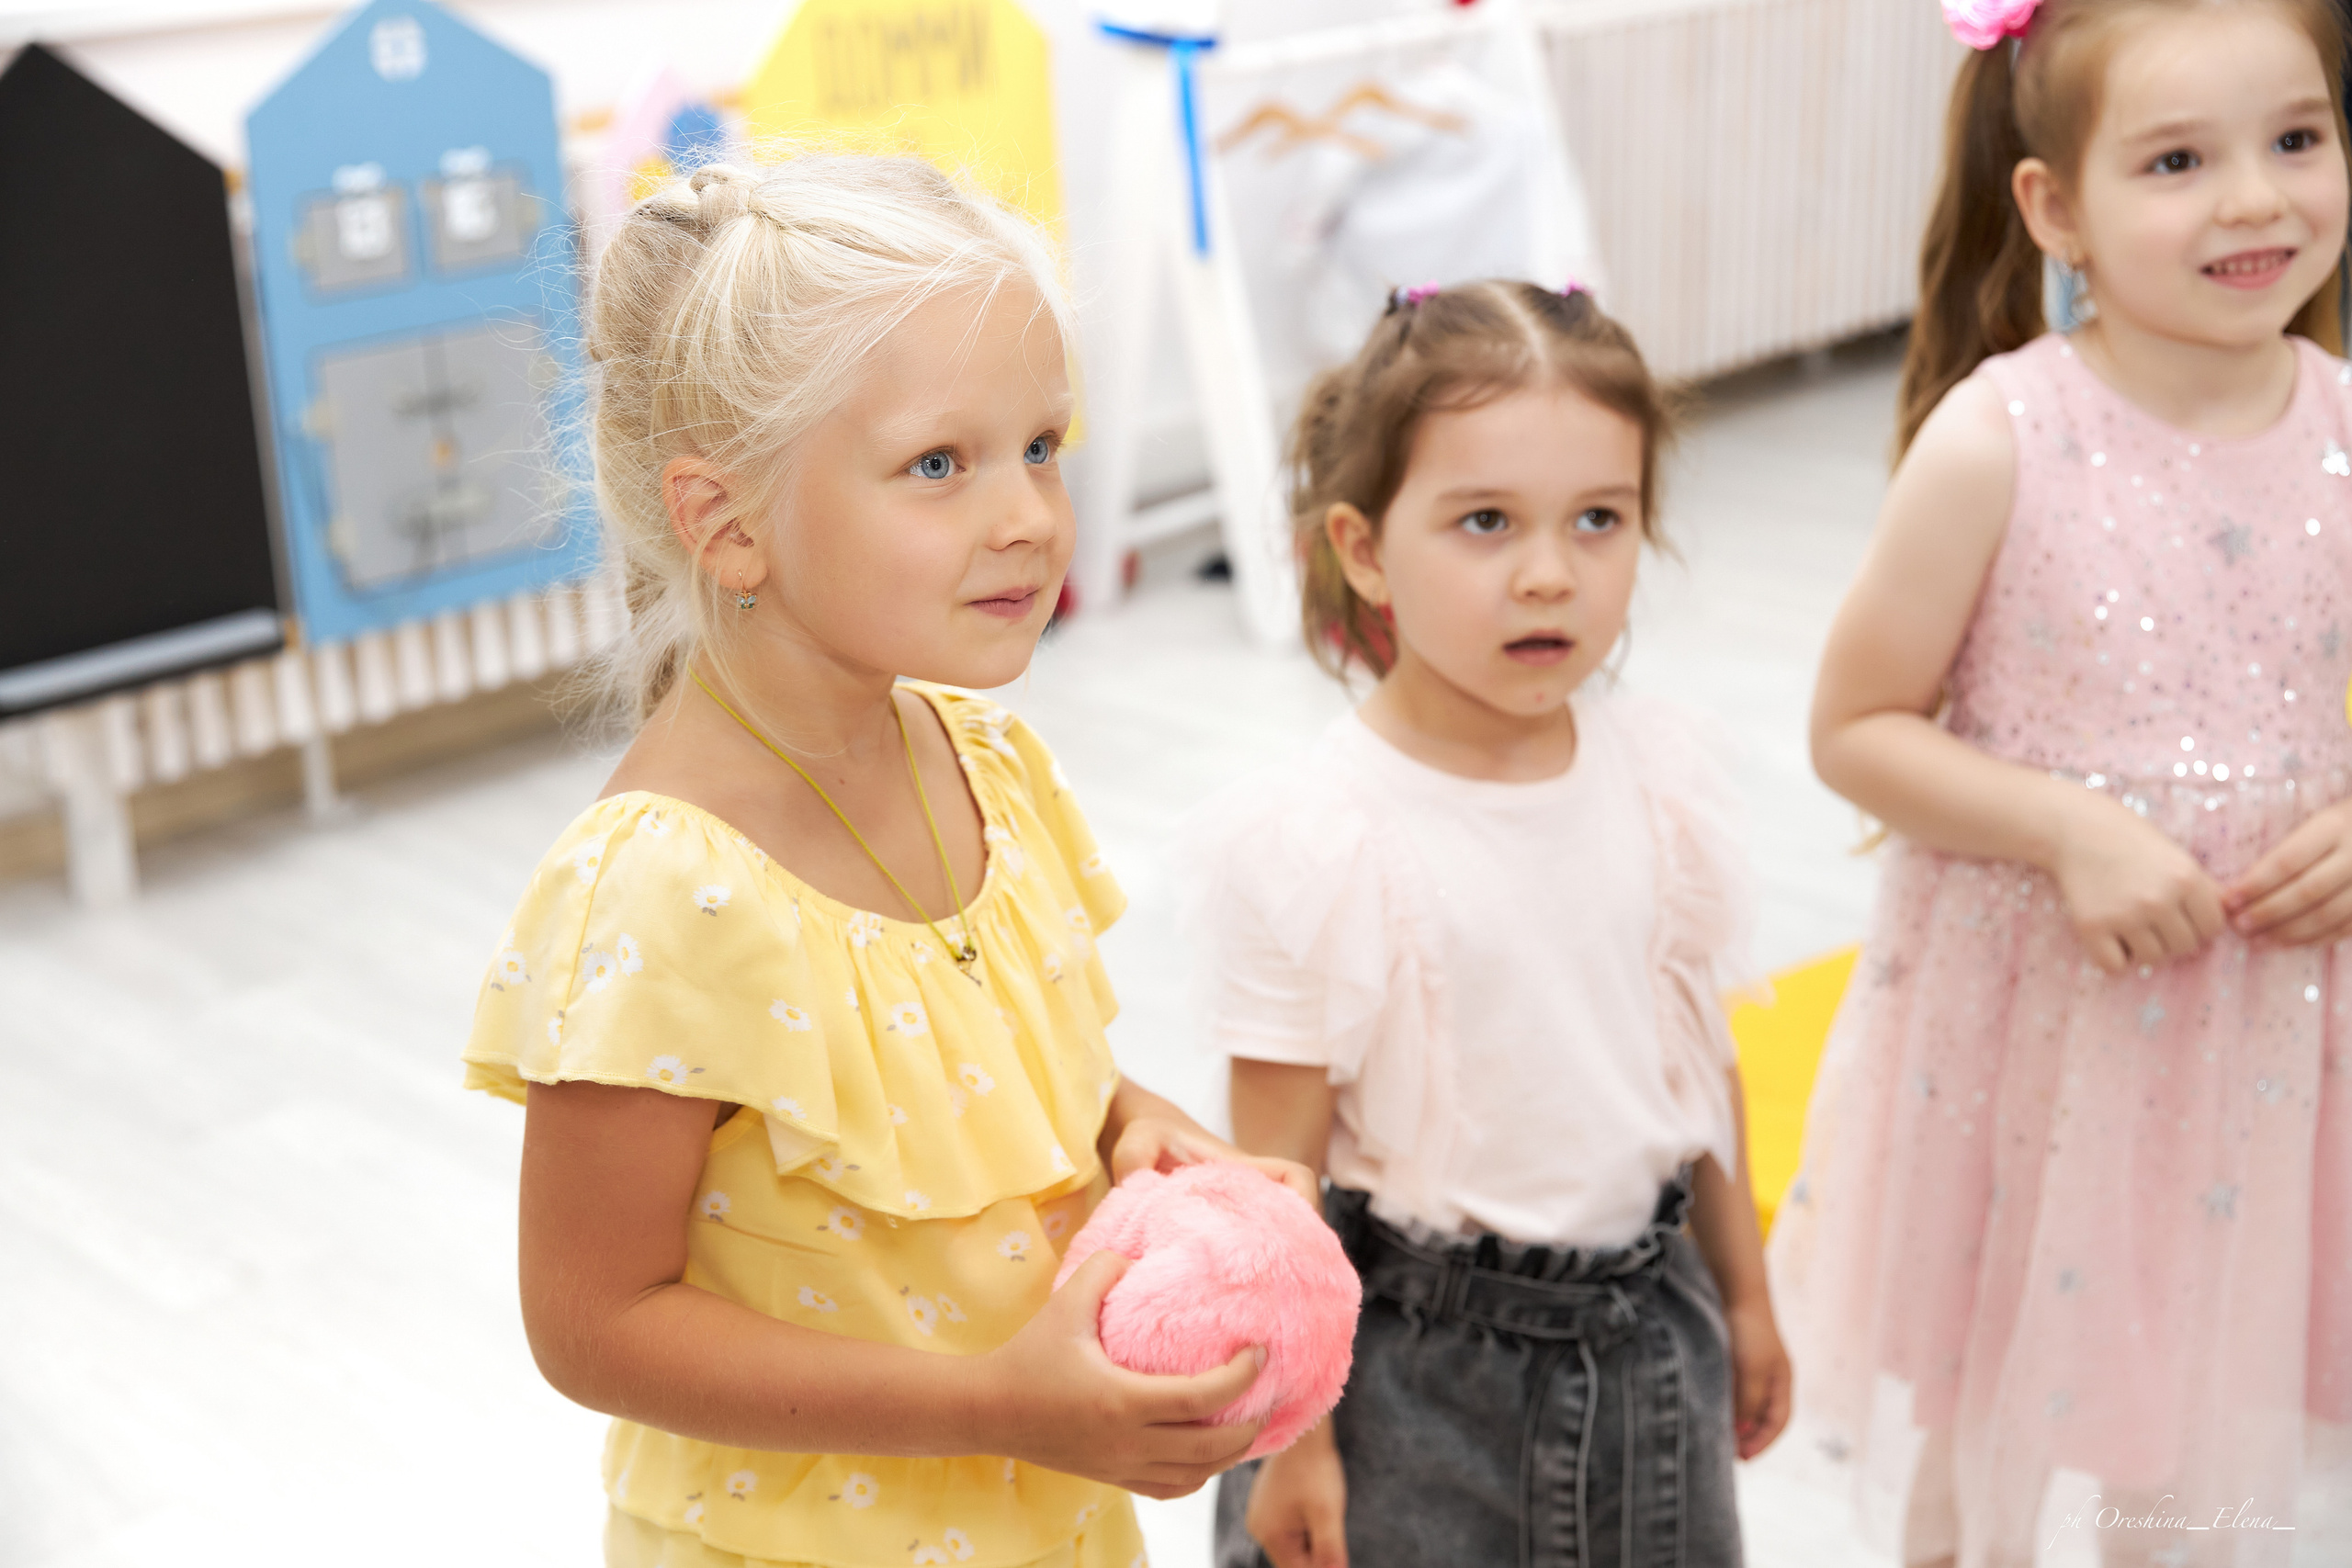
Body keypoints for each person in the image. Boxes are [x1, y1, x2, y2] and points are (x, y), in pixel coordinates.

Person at [461, 155, 1315, 1568]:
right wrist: (994, 1401)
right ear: (728, 522)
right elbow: (593, 1323)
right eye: (941, 465)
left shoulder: (983, 759)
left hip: (1049, 1517)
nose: (1032, 515)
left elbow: (1009, 1079)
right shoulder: (659, 892)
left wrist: (1134, 1132)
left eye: (1042, 445)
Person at [1765, 1, 2352, 1562]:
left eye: (2298, 137)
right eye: (2178, 159)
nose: (2255, 197)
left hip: (2262, 1034)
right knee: (1993, 1418)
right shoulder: (2000, 439)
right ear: (2056, 205)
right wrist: (2072, 827)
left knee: (2197, 1432)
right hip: (2029, 1032)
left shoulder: (2349, 432)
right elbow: (1857, 726)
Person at [1189, 278, 1792, 1568]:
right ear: (1362, 547)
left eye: (1598, 520)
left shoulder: (1661, 778)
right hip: (1408, 1381)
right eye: (1483, 521)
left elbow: (1698, 1068)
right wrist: (1291, 1441)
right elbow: (1271, 1182)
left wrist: (1747, 1294)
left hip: (1650, 1337)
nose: (1547, 574)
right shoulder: (1317, 836)